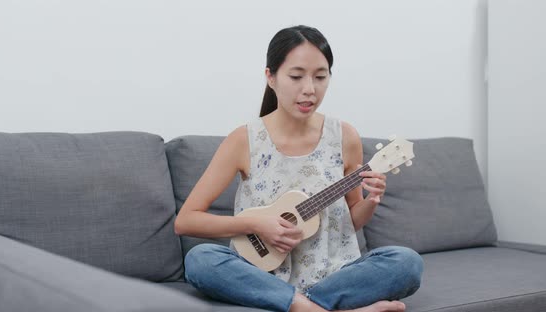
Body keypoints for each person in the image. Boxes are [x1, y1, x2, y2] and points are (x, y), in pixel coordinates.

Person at [174, 25, 423, 312]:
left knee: (407, 262)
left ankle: (297, 305)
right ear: (271, 77)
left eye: (320, 77)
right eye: (296, 76)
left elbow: (349, 223)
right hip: (262, 274)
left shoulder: (344, 136)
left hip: (334, 276)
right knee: (200, 260)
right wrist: (255, 224)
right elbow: (186, 221)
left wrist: (371, 201)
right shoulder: (244, 140)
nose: (309, 89)